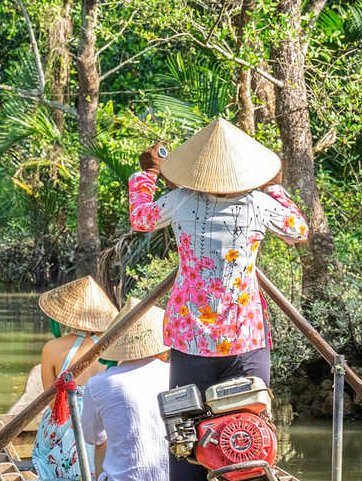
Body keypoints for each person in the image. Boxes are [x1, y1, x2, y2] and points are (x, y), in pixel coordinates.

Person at [127, 118, 307, 481]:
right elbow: (298, 231)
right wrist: (275, 187)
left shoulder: (179, 200)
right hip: (245, 338)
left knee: (187, 437)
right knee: (247, 436)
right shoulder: (258, 204)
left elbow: (141, 218)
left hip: (190, 337)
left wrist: (148, 174)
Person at [31, 275, 119, 481]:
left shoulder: (52, 348)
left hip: (65, 421)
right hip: (102, 420)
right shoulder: (114, 349)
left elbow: (52, 403)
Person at [77, 303, 172, 481]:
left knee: (101, 443)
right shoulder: (175, 373)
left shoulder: (99, 383)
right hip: (173, 476)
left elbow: (91, 437)